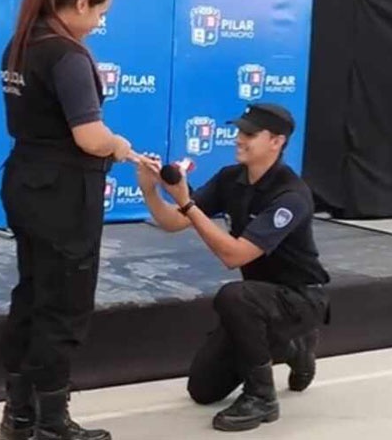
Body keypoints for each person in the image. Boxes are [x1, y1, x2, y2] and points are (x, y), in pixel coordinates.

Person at [0, 0, 138, 440]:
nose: (99, 23)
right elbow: (90, 137)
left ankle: (18, 416)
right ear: (81, 2)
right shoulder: (68, 55)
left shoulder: (18, 46)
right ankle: (53, 423)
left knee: (32, 295)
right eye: (99, 13)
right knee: (64, 306)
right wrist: (119, 146)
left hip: (24, 183)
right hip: (63, 194)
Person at [136, 103, 331, 433]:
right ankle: (291, 347)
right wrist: (150, 189)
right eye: (240, 131)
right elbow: (172, 222)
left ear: (276, 141)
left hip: (302, 298)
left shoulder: (291, 194)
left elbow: (235, 256)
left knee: (234, 297)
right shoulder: (231, 178)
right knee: (202, 390)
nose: (239, 139)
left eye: (250, 134)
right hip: (260, 300)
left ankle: (262, 396)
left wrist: (186, 201)